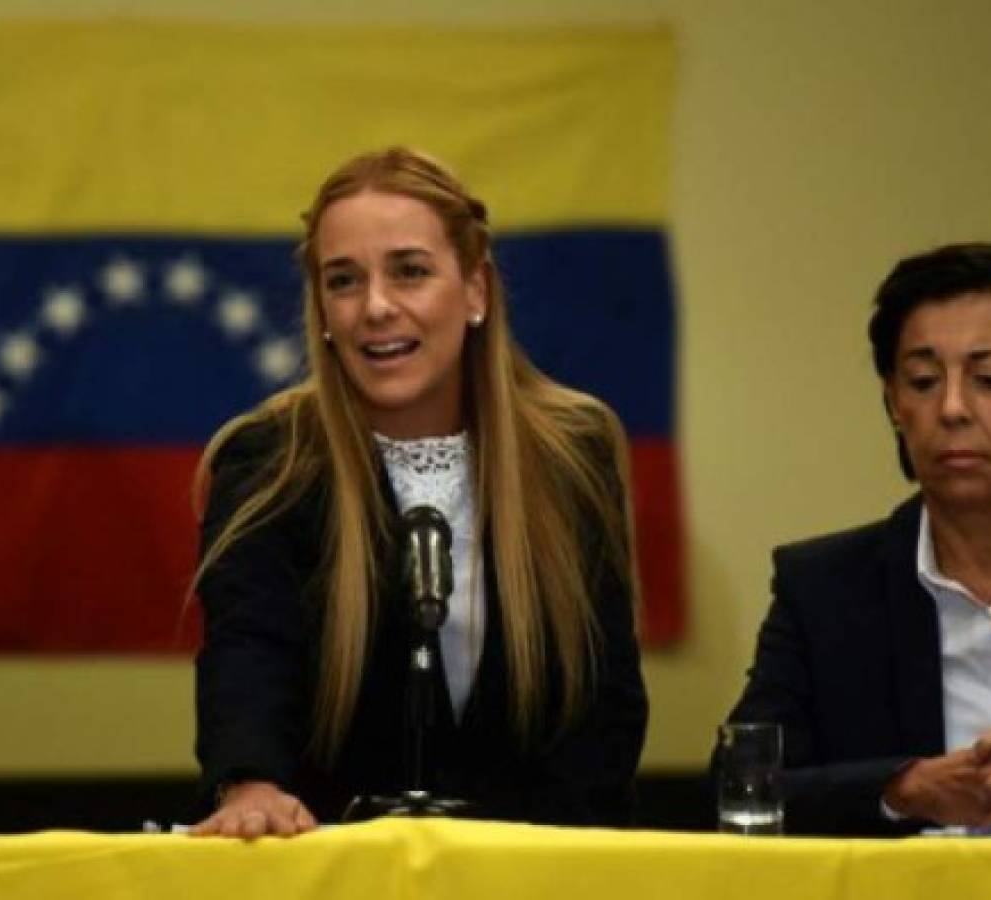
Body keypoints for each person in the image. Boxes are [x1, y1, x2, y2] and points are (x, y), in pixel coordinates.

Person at [189, 147, 648, 839]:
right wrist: (253, 785)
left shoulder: (571, 452)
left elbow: (602, 700)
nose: (376, 307)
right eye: (344, 281)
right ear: (321, 309)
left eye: (409, 272)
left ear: (475, 290)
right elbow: (249, 649)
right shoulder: (267, 460)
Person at [722, 242, 991, 835]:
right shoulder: (826, 591)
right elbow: (742, 783)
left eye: (990, 379)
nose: (951, 408)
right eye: (922, 381)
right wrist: (903, 790)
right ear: (893, 402)